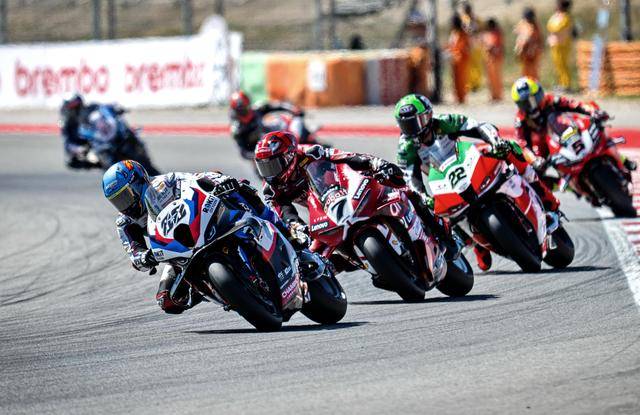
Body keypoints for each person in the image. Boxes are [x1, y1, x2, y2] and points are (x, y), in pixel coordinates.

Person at [253, 130, 460, 283]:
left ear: (289, 156)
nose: (270, 172)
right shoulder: (271, 188)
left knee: (406, 189)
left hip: (343, 187)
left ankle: (444, 233)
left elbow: (344, 156)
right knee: (313, 255)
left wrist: (374, 164)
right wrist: (296, 227)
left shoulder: (310, 152)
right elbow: (283, 213)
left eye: (273, 164)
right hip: (322, 212)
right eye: (264, 167)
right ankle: (364, 266)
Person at [394, 93, 560, 271]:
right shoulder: (405, 148)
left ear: (428, 115)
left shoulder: (444, 121)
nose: (412, 129)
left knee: (510, 147)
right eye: (406, 125)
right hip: (444, 183)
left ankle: (547, 200)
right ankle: (473, 241)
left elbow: (479, 126)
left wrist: (495, 141)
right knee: (433, 212)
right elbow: (410, 181)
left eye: (416, 122)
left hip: (467, 163)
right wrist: (423, 198)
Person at [101, 160, 291, 314]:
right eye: (117, 201)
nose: (124, 205)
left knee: (241, 189)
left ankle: (282, 227)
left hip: (202, 221)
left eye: (125, 196)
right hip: (176, 250)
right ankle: (211, 290)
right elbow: (133, 252)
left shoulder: (166, 182)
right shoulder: (125, 222)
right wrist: (144, 258)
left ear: (139, 182)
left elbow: (198, 178)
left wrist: (221, 182)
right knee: (167, 300)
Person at [511, 77, 637, 172]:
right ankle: (566, 184)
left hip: (564, 129)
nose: (532, 105)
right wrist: (534, 160)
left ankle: (622, 159)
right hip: (544, 143)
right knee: (534, 172)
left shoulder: (550, 100)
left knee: (593, 125)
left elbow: (573, 104)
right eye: (526, 103)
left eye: (535, 98)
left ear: (540, 93)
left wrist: (593, 111)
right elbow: (522, 144)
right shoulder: (520, 120)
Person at [229, 90, 309, 160]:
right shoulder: (236, 130)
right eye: (243, 109)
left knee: (282, 121)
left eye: (247, 107)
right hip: (261, 156)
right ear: (236, 111)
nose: (247, 111)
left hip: (274, 141)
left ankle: (302, 141)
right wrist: (259, 155)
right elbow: (243, 153)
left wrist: (292, 109)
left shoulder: (257, 110)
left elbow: (275, 105)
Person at [546, 0, 574, 91]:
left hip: (563, 44)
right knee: (558, 65)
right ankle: (561, 83)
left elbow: (557, 28)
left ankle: (566, 84)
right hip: (555, 44)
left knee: (563, 64)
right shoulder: (556, 16)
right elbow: (549, 25)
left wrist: (553, 28)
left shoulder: (566, 17)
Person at [514, 7, 544, 81]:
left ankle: (534, 85)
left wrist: (532, 48)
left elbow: (537, 41)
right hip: (524, 54)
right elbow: (517, 32)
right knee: (525, 73)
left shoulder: (535, 27)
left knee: (533, 73)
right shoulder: (523, 23)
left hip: (532, 54)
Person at [460, 2, 483, 92]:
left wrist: (475, 30)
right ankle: (468, 85)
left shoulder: (476, 19)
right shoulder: (462, 19)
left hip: (475, 44)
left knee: (476, 65)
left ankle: (476, 84)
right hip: (466, 45)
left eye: (468, 9)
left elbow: (481, 29)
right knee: (467, 66)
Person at [448, 14, 471, 104]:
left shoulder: (463, 34)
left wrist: (456, 54)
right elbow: (451, 46)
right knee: (455, 79)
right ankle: (457, 98)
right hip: (454, 60)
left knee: (461, 80)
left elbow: (464, 47)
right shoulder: (453, 33)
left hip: (461, 61)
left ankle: (462, 98)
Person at [481, 18, 504, 101]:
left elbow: (497, 46)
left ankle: (498, 95)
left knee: (496, 78)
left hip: (495, 59)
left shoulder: (497, 33)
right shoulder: (486, 34)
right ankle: (492, 95)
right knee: (490, 79)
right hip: (488, 60)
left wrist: (491, 48)